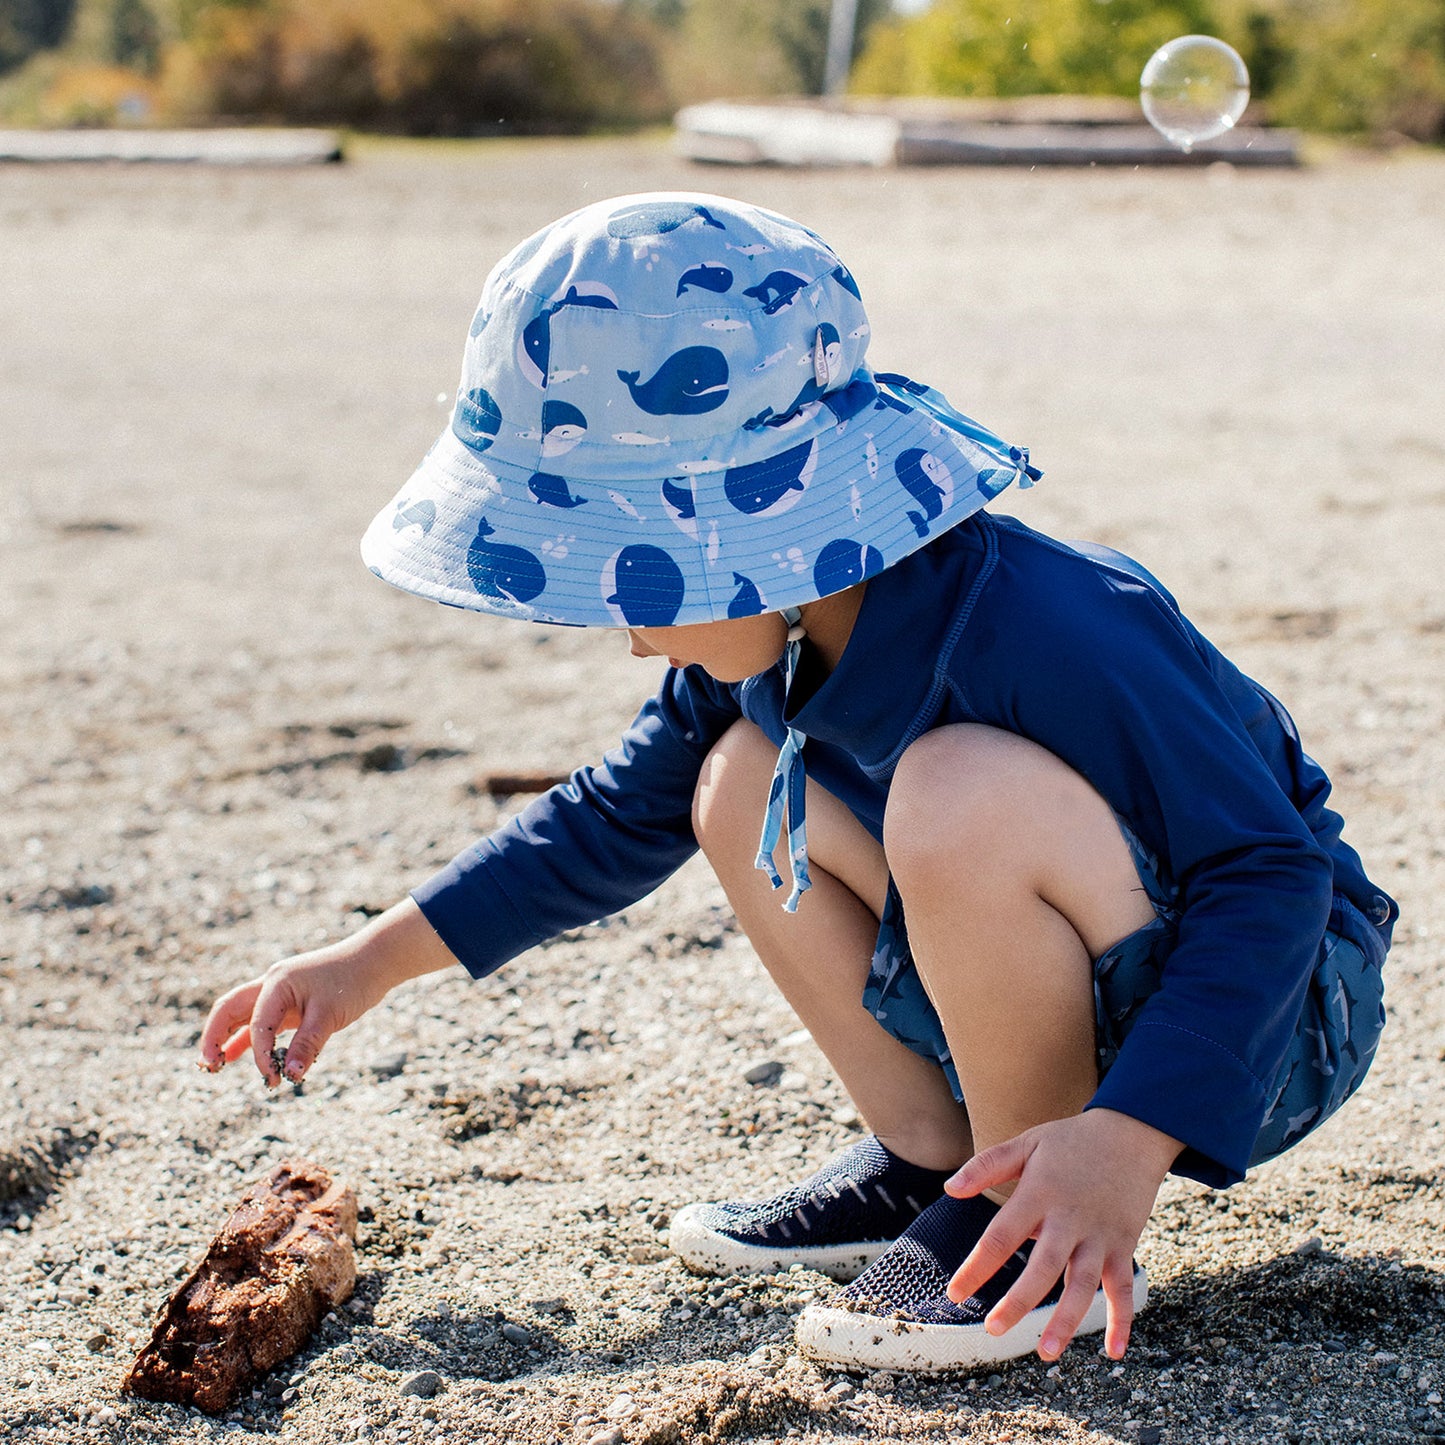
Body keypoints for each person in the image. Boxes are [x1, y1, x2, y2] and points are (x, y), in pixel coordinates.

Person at [198, 192, 1395, 1374]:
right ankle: (936, 1160)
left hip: (1266, 1014)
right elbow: (608, 819)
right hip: (1095, 969)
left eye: (638, 582)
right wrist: (365, 961)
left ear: (751, 539)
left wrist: (1127, 1139)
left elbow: (1267, 874)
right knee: (730, 779)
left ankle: (1033, 1222)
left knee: (951, 787)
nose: (629, 635)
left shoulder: (1053, 623)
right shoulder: (773, 631)